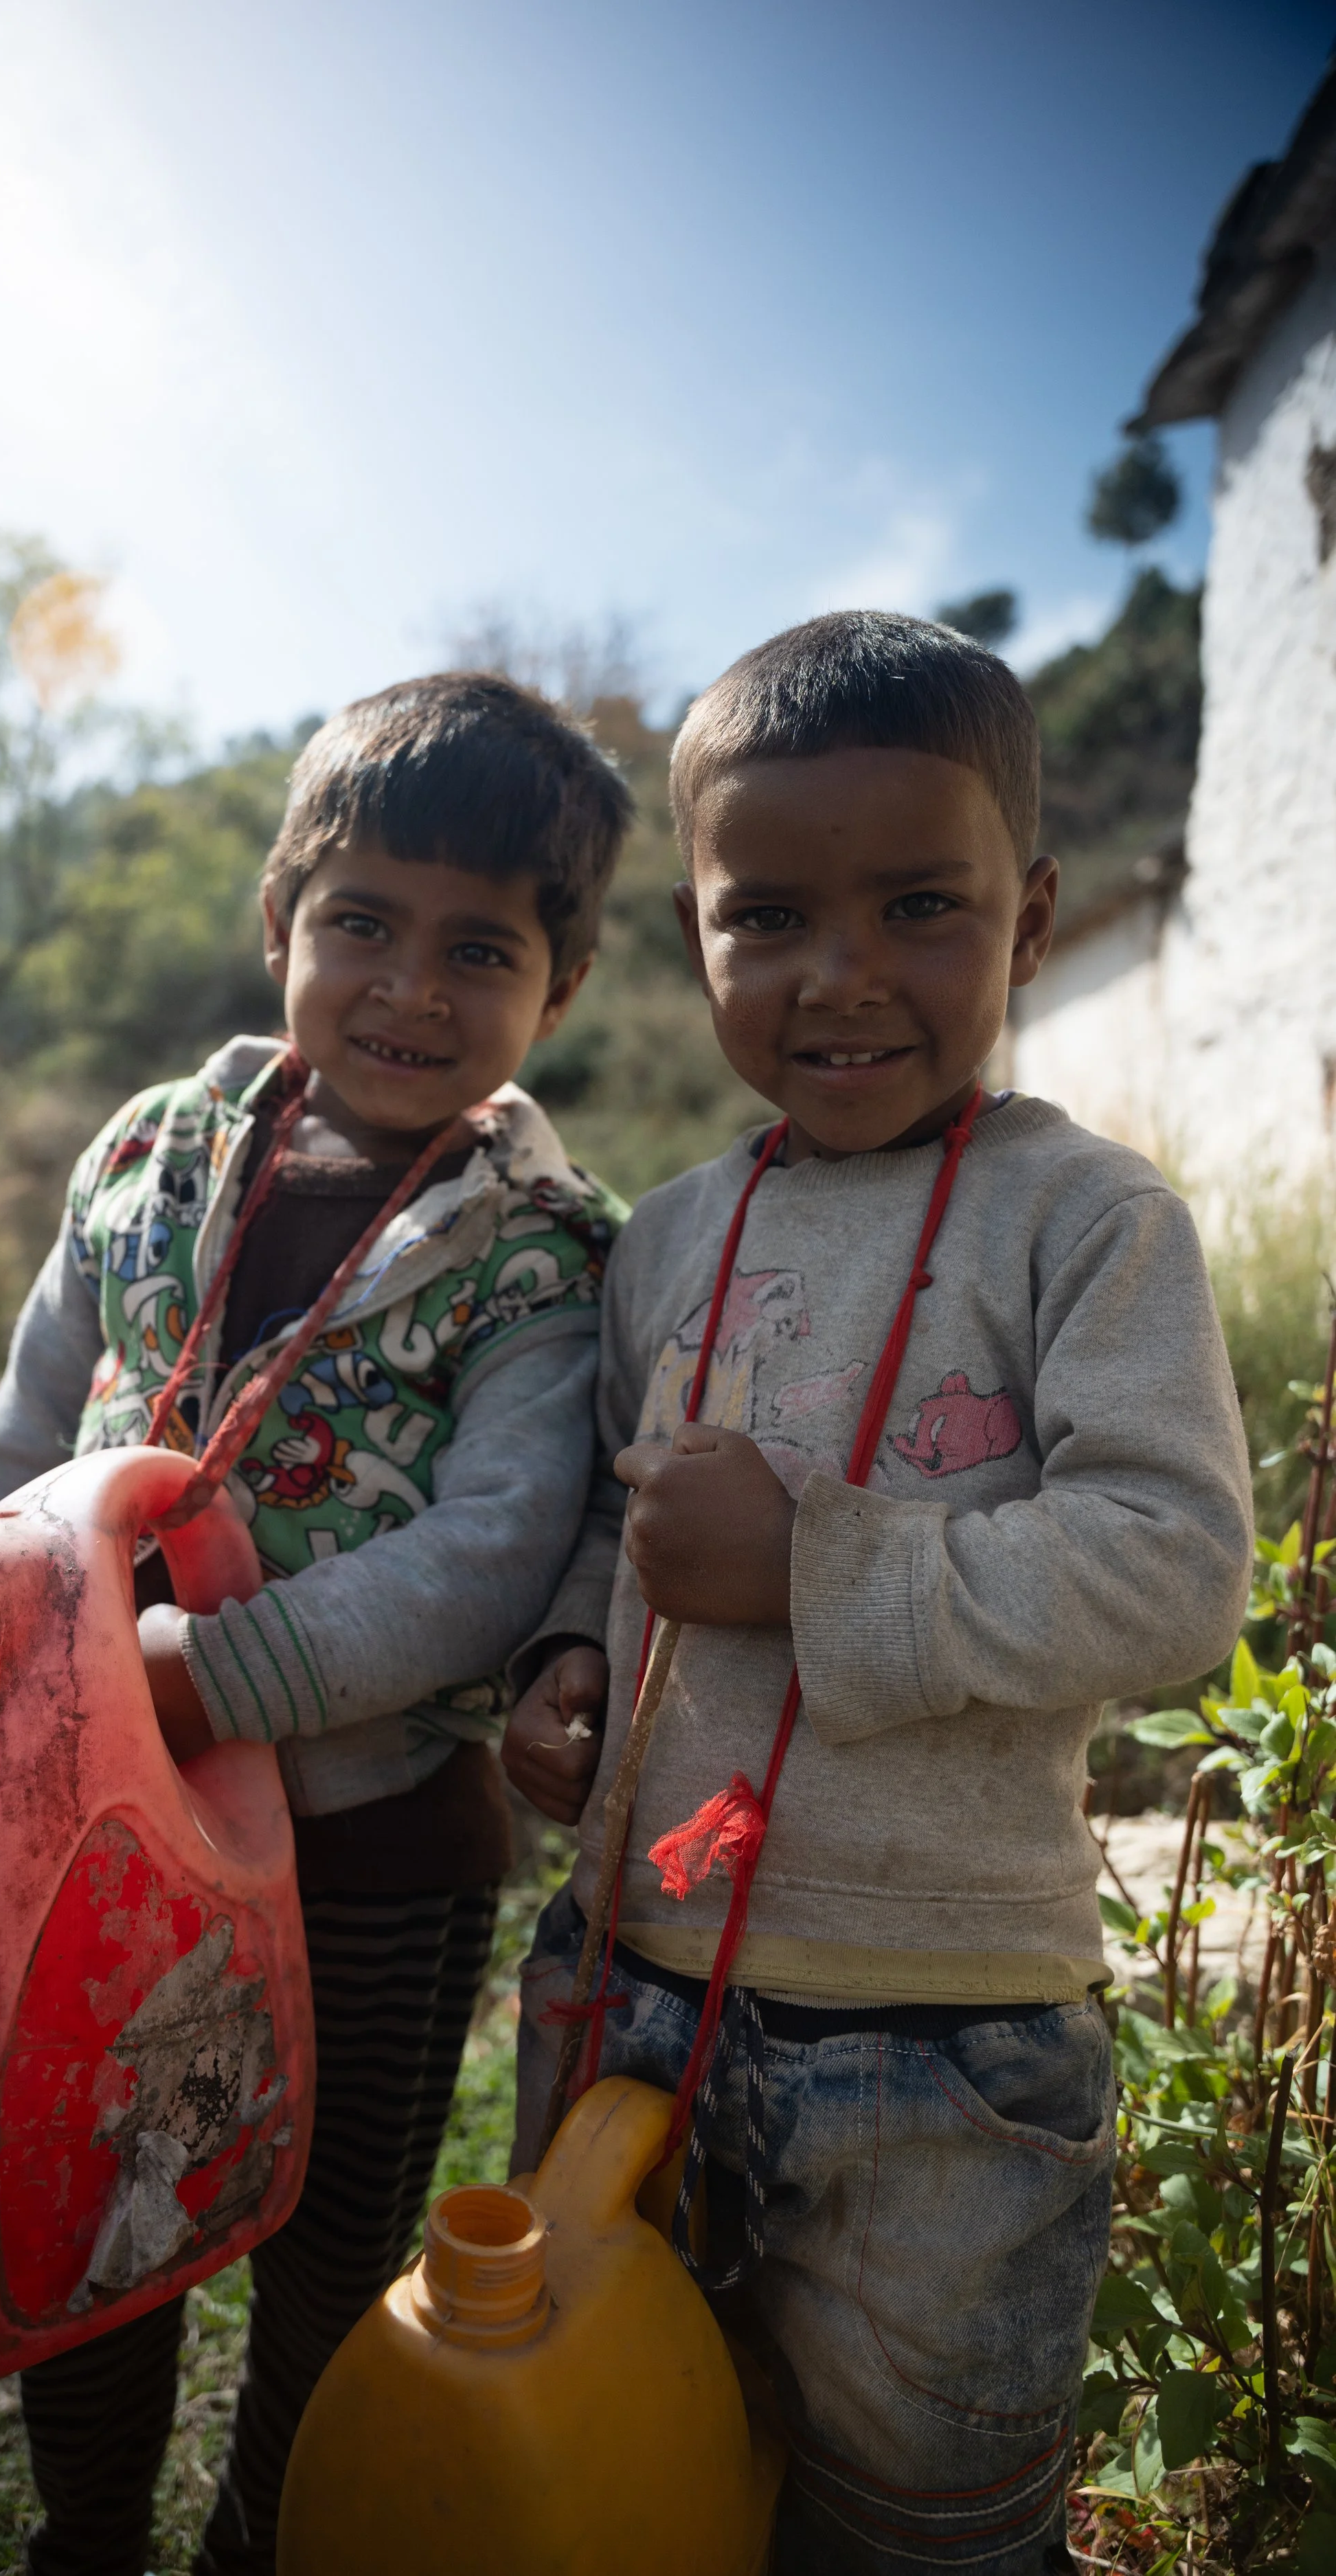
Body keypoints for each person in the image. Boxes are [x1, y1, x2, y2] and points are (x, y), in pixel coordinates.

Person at [501, 611, 1254, 2576]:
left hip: (948, 2053)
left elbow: (1170, 1568)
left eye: (919, 904)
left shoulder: (1085, 1221)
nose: (841, 977)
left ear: (1028, 920)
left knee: (916, 2534)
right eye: (768, 918)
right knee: (621, 2472)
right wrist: (575, 1657)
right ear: (696, 935)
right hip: (633, 1989)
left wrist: (815, 1562)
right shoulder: (663, 1237)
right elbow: (618, 1513)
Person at [0, 671, 631, 2576]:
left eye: (478, 948)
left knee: (331, 2245)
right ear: (280, 924)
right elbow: (34, 1415)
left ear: (555, 992)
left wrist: (195, 1672)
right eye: (361, 923)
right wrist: (9, 1611)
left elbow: (494, 1550)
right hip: (106, 1837)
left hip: (372, 1845)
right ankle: (84, 2535)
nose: (408, 988)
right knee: (101, 2225)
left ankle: (261, 2542)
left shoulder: (529, 1247)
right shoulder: (151, 1156)